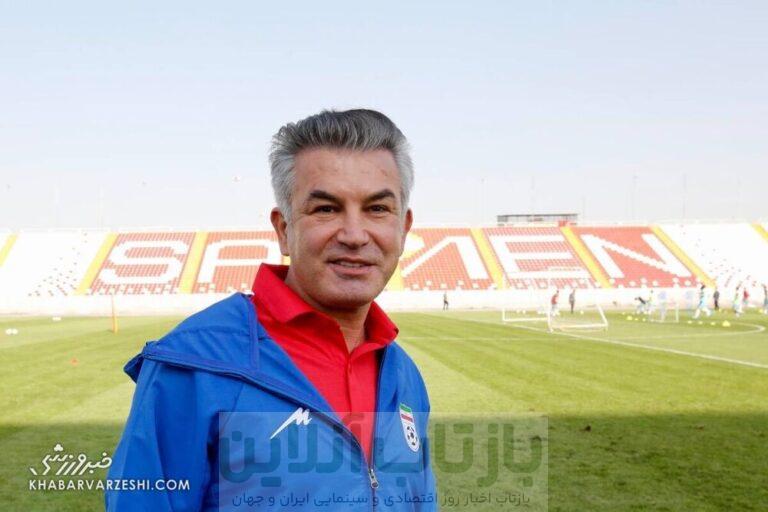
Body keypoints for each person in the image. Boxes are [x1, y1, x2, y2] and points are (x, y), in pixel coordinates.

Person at [105, 110, 436, 510]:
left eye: (377, 209)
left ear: (403, 228)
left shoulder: (403, 375)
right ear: (284, 229)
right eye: (326, 209)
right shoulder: (193, 365)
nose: (354, 235)